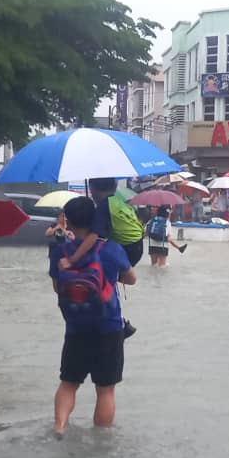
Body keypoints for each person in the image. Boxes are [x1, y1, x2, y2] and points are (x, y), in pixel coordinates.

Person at [50, 197, 137, 436]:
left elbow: (58, 288)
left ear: (68, 221)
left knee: (69, 383)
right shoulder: (111, 249)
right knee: (105, 389)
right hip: (108, 328)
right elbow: (131, 278)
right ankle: (101, 439)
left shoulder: (61, 251)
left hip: (76, 328)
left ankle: (59, 428)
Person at [58, 177, 143, 338]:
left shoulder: (103, 208)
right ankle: (121, 323)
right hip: (136, 245)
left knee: (100, 278)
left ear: (92, 189)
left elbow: (92, 236)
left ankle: (121, 323)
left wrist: (72, 259)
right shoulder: (119, 201)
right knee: (104, 278)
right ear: (115, 186)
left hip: (127, 248)